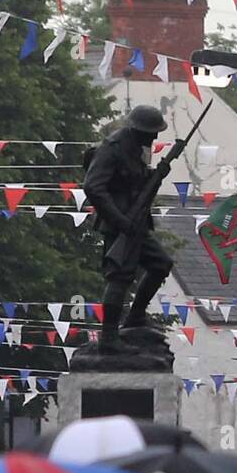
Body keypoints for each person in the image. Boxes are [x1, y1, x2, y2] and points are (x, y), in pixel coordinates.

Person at [83, 104, 187, 353]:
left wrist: (156, 174)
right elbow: (93, 187)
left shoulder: (134, 148)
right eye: (151, 132)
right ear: (138, 130)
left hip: (137, 221)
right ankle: (108, 338)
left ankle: (136, 316)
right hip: (120, 223)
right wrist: (120, 221)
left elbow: (132, 180)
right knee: (119, 276)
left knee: (161, 264)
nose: (154, 137)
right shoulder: (113, 148)